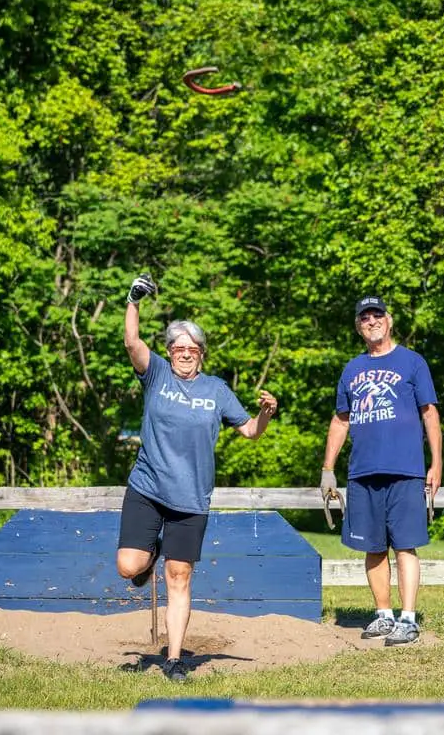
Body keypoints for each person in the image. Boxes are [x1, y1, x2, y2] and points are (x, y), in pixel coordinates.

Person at [117, 273, 278, 682]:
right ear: (169, 353)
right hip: (148, 488)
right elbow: (133, 343)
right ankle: (148, 552)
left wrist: (264, 415)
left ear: (201, 353)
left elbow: (249, 432)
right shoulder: (156, 375)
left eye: (192, 349)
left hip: (190, 498)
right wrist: (133, 300)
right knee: (127, 566)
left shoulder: (217, 390)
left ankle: (173, 659)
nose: (185, 354)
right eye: (178, 348)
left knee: (180, 575)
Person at [321, 294, 442, 646]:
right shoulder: (352, 369)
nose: (371, 321)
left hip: (406, 471)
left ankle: (408, 618)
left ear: (389, 320)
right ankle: (384, 615)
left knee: (406, 546)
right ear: (359, 327)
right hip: (362, 473)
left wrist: (436, 464)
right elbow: (341, 420)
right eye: (364, 318)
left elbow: (430, 414)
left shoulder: (412, 362)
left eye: (377, 315)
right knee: (373, 548)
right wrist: (328, 469)